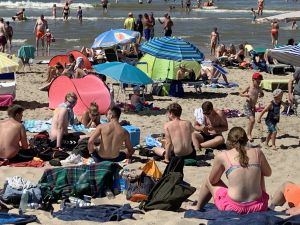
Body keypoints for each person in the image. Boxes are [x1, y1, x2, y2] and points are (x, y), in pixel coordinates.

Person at [192, 127, 271, 214]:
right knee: (261, 172)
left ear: (229, 141)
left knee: (208, 178)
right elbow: (268, 173)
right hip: (258, 206)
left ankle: (198, 207)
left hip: (233, 207)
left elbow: (213, 181)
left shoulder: (223, 155)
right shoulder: (257, 152)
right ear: (246, 139)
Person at [240, 72, 264, 142]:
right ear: (253, 80)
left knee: (252, 121)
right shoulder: (249, 87)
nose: (259, 83)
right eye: (257, 81)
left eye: (260, 82)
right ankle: (248, 135)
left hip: (253, 107)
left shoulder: (259, 88)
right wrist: (246, 96)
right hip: (247, 105)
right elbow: (241, 93)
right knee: (252, 120)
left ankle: (248, 134)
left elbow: (262, 94)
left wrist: (261, 95)